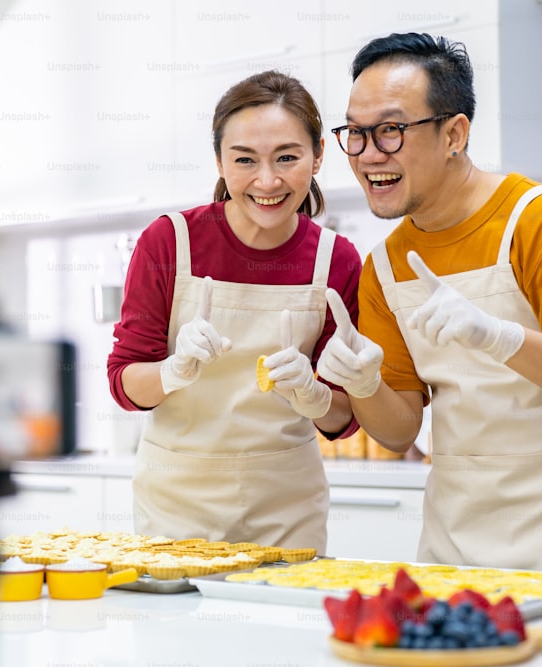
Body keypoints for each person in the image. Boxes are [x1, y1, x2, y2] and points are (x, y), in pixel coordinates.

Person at [316, 33, 542, 576]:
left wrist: (500, 337)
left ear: (454, 133)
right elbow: (398, 431)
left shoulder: (541, 222)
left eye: (391, 130)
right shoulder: (385, 267)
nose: (369, 153)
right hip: (455, 529)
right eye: (356, 132)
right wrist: (363, 383)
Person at [107, 70, 362, 553]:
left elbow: (343, 418)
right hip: (178, 508)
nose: (267, 181)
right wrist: (172, 371)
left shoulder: (337, 260)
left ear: (319, 156)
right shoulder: (169, 243)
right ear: (220, 162)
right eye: (245, 160)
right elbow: (123, 383)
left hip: (288, 508)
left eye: (287, 157)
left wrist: (314, 395)